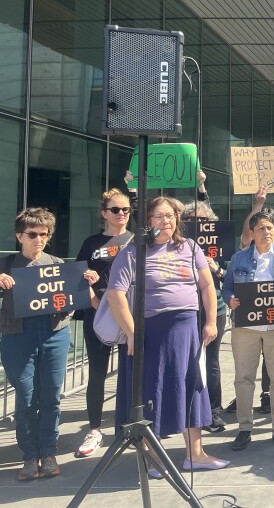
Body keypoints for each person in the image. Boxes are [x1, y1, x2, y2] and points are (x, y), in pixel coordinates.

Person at [106, 196, 228, 474]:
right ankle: (155, 457)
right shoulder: (132, 252)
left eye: (170, 216)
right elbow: (116, 296)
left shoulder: (190, 247)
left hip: (187, 330)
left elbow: (207, 286)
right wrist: (133, 333)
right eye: (159, 217)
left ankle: (195, 454)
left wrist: (210, 322)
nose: (166, 222)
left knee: (192, 388)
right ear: (147, 221)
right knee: (154, 391)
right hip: (151, 332)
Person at [0, 208, 97, 480]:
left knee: (52, 397)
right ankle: (30, 456)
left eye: (44, 234)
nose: (39, 240)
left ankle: (49, 453)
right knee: (26, 397)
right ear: (20, 236)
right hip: (18, 336)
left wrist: (88, 282)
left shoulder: (58, 264)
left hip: (55, 335)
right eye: (32, 235)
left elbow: (80, 298)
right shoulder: (6, 265)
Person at [223, 208, 274, 451]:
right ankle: (245, 428)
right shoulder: (239, 259)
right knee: (244, 378)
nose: (266, 232)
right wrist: (231, 300)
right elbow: (227, 288)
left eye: (270, 227)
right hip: (245, 327)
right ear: (252, 233)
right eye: (261, 228)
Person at [73, 189, 134, 457]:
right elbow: (76, 276)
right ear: (103, 213)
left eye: (125, 210)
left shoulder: (137, 240)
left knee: (130, 372)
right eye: (115, 209)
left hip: (130, 315)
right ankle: (95, 429)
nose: (121, 214)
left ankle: (126, 424)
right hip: (98, 315)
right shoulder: (91, 242)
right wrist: (97, 305)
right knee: (97, 372)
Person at [181, 199, 229, 433]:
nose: (198, 224)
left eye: (203, 220)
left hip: (214, 311)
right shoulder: (178, 245)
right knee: (185, 361)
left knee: (211, 361)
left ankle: (213, 411)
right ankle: (186, 409)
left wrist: (215, 268)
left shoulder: (220, 246)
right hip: (185, 312)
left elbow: (230, 279)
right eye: (192, 220)